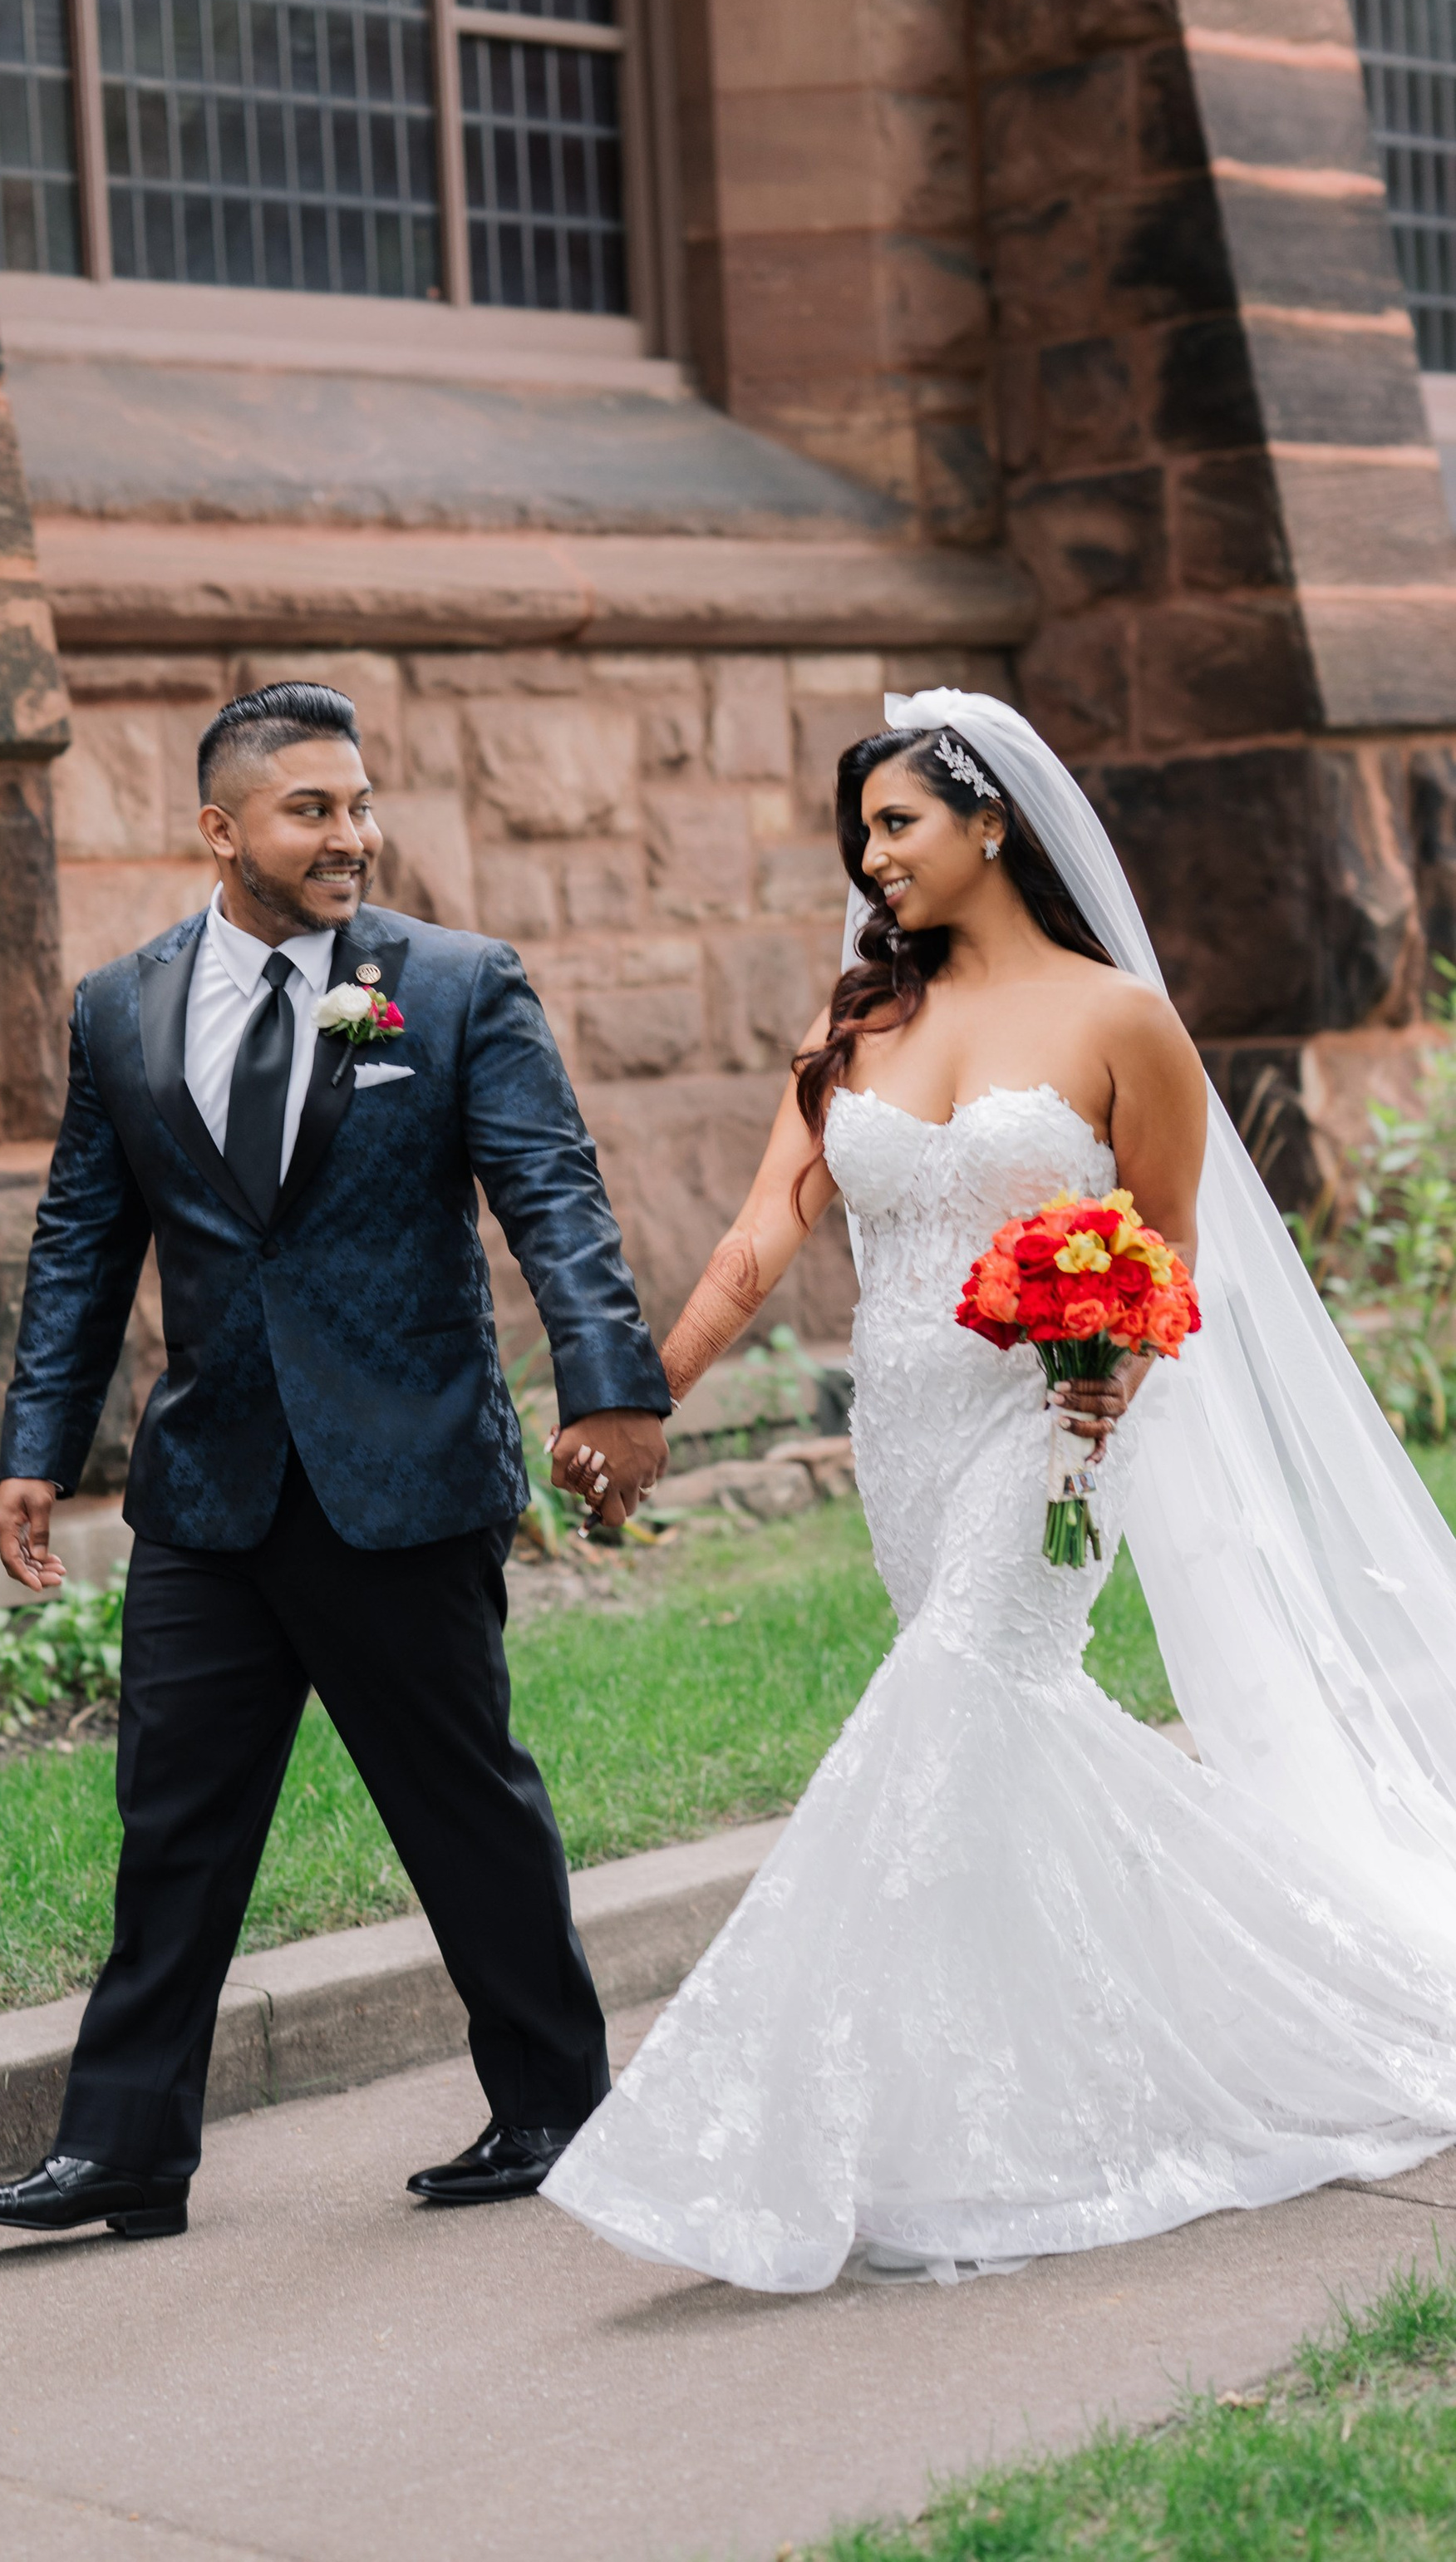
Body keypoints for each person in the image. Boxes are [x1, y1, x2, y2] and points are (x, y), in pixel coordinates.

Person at [544, 686, 1456, 2293]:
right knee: (994, 1742)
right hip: (905, 1434)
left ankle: (756, 2137)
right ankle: (1075, 2070)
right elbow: (765, 1232)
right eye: (864, 833)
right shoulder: (860, 1030)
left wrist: (1111, 1362)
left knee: (956, 1698)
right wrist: (644, 1393)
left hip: (1062, 1438)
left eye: (895, 824)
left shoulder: (1120, 1020)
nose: (871, 858)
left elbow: (1169, 1246)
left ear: (991, 823)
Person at [0, 680, 671, 2244]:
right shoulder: (122, 1009)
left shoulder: (456, 986)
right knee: (172, 1817)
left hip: (402, 1476)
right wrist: (35, 1449)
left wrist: (611, 1388)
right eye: (311, 810)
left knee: (460, 1805)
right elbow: (81, 1241)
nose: (353, 836)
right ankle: (124, 2148)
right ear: (221, 829)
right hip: (208, 1488)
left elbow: (555, 1195)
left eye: (360, 805)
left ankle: (552, 2106)